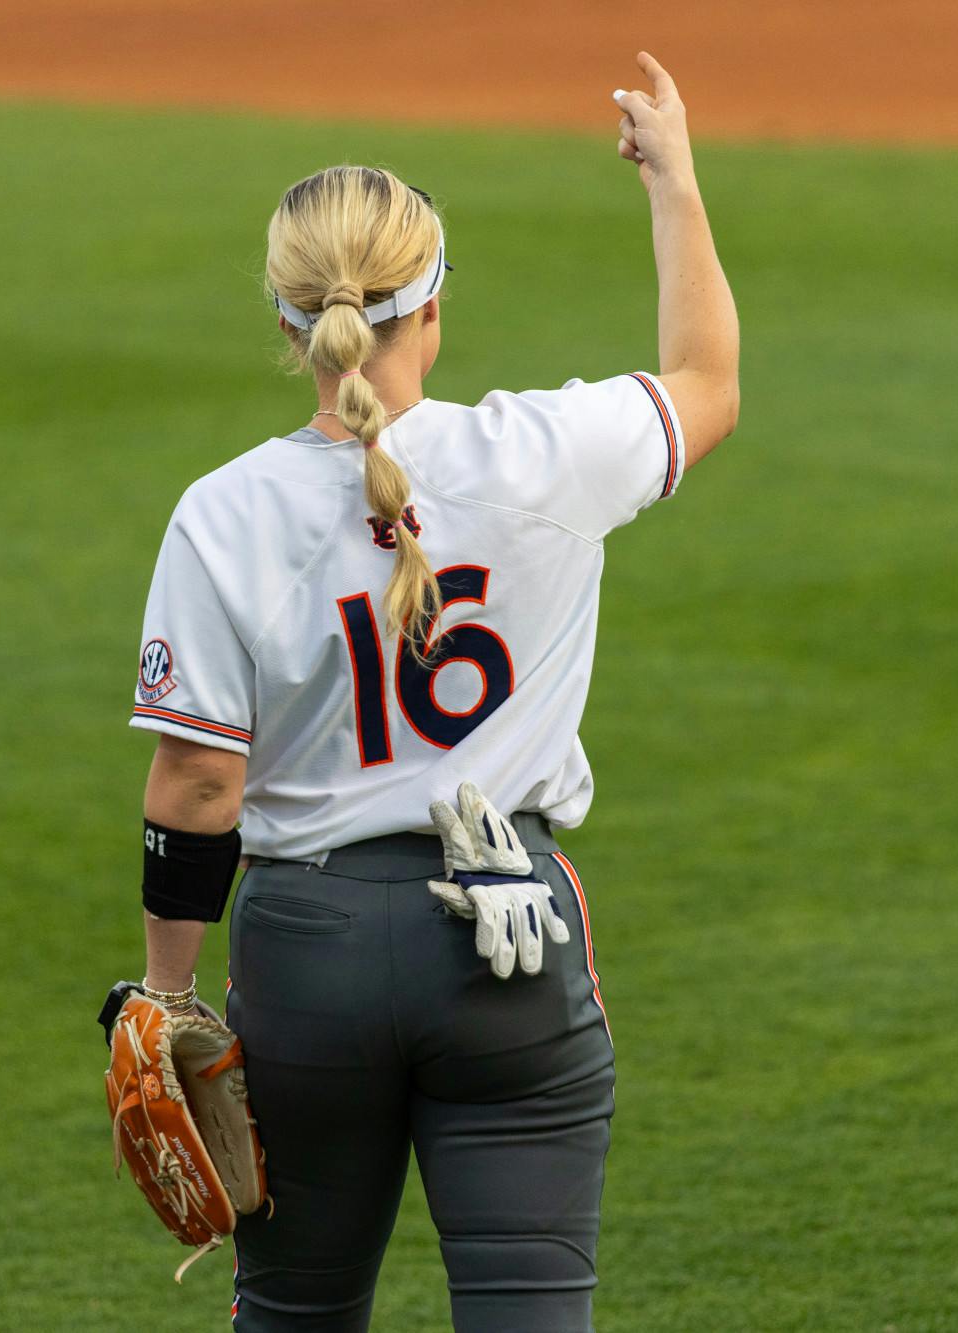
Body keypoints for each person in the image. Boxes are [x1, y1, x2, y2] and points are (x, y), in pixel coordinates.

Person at [125, 51, 740, 1332]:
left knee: (294, 1315)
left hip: (308, 961)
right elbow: (707, 383)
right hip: (506, 951)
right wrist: (672, 179)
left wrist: (166, 993)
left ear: (288, 319)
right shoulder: (544, 454)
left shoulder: (221, 512)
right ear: (432, 306)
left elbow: (198, 784)